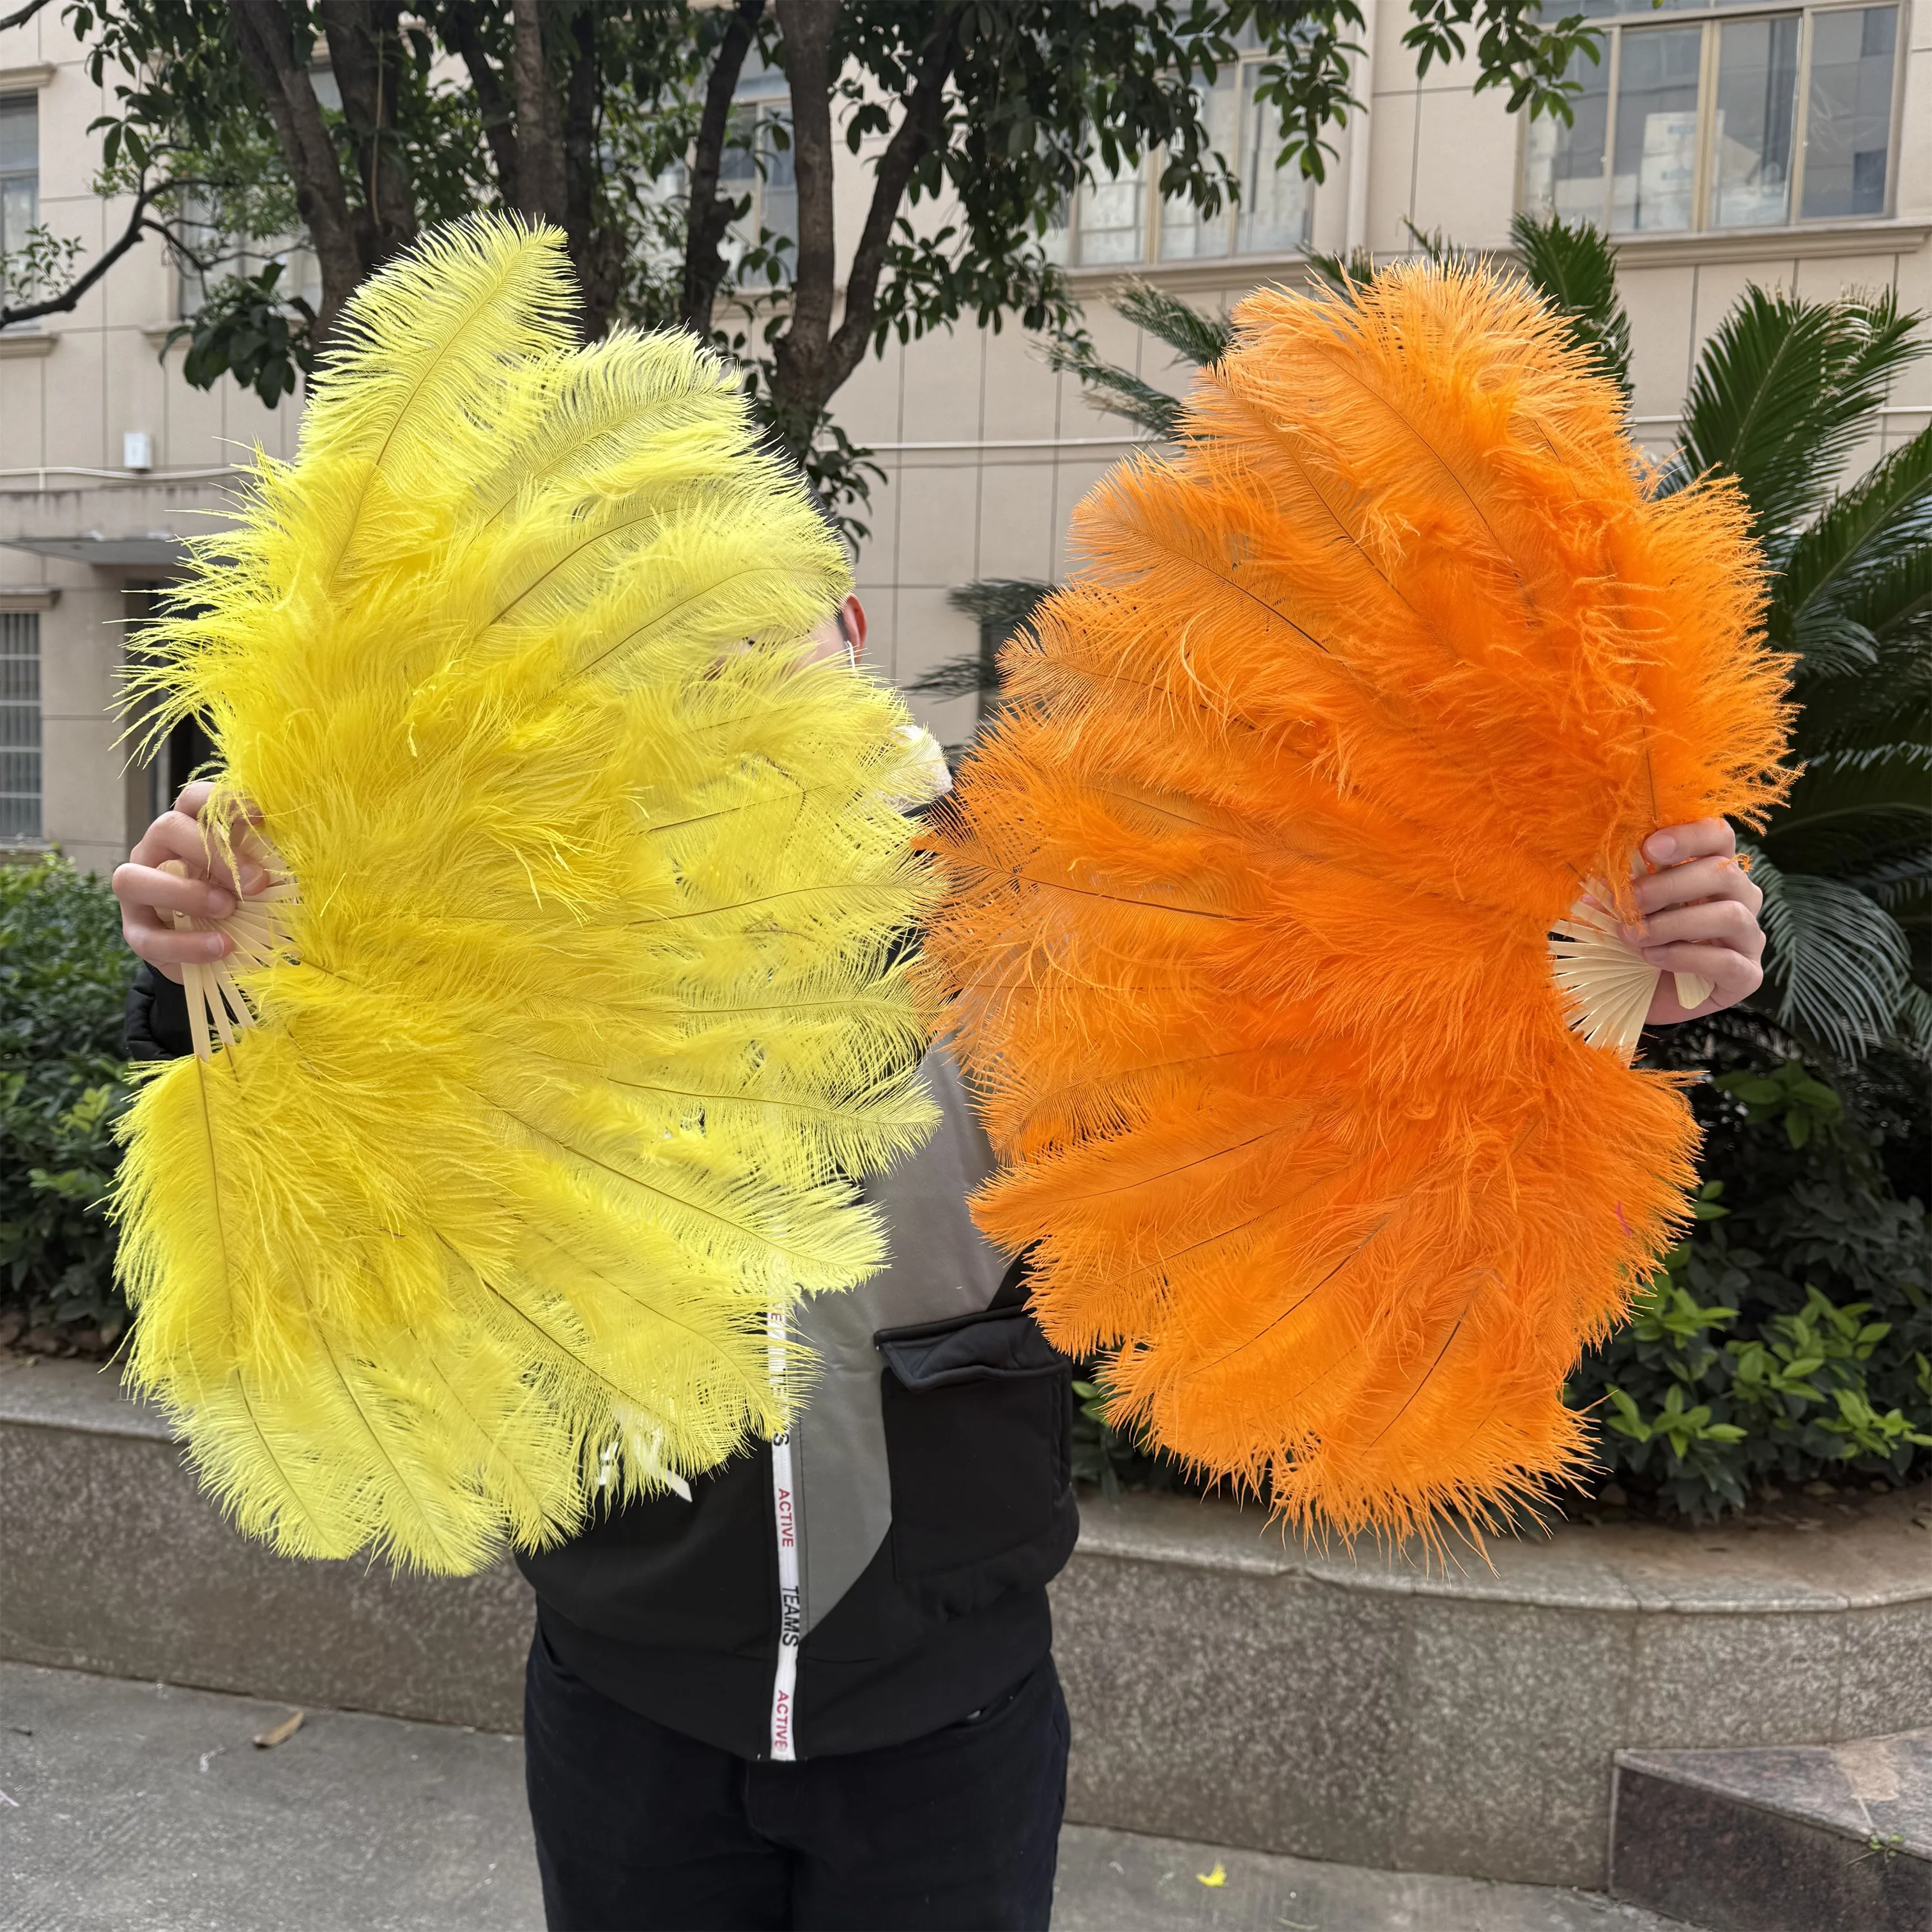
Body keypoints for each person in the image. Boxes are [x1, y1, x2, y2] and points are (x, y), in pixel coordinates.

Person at [112, 590, 1771, 1932]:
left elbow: (1344, 1084)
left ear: (843, 629)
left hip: (943, 1738)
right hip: (621, 1716)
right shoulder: (531, 935)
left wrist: (1608, 986)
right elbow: (321, 1123)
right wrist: (215, 966)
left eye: (752, 622)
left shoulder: (1041, 908)